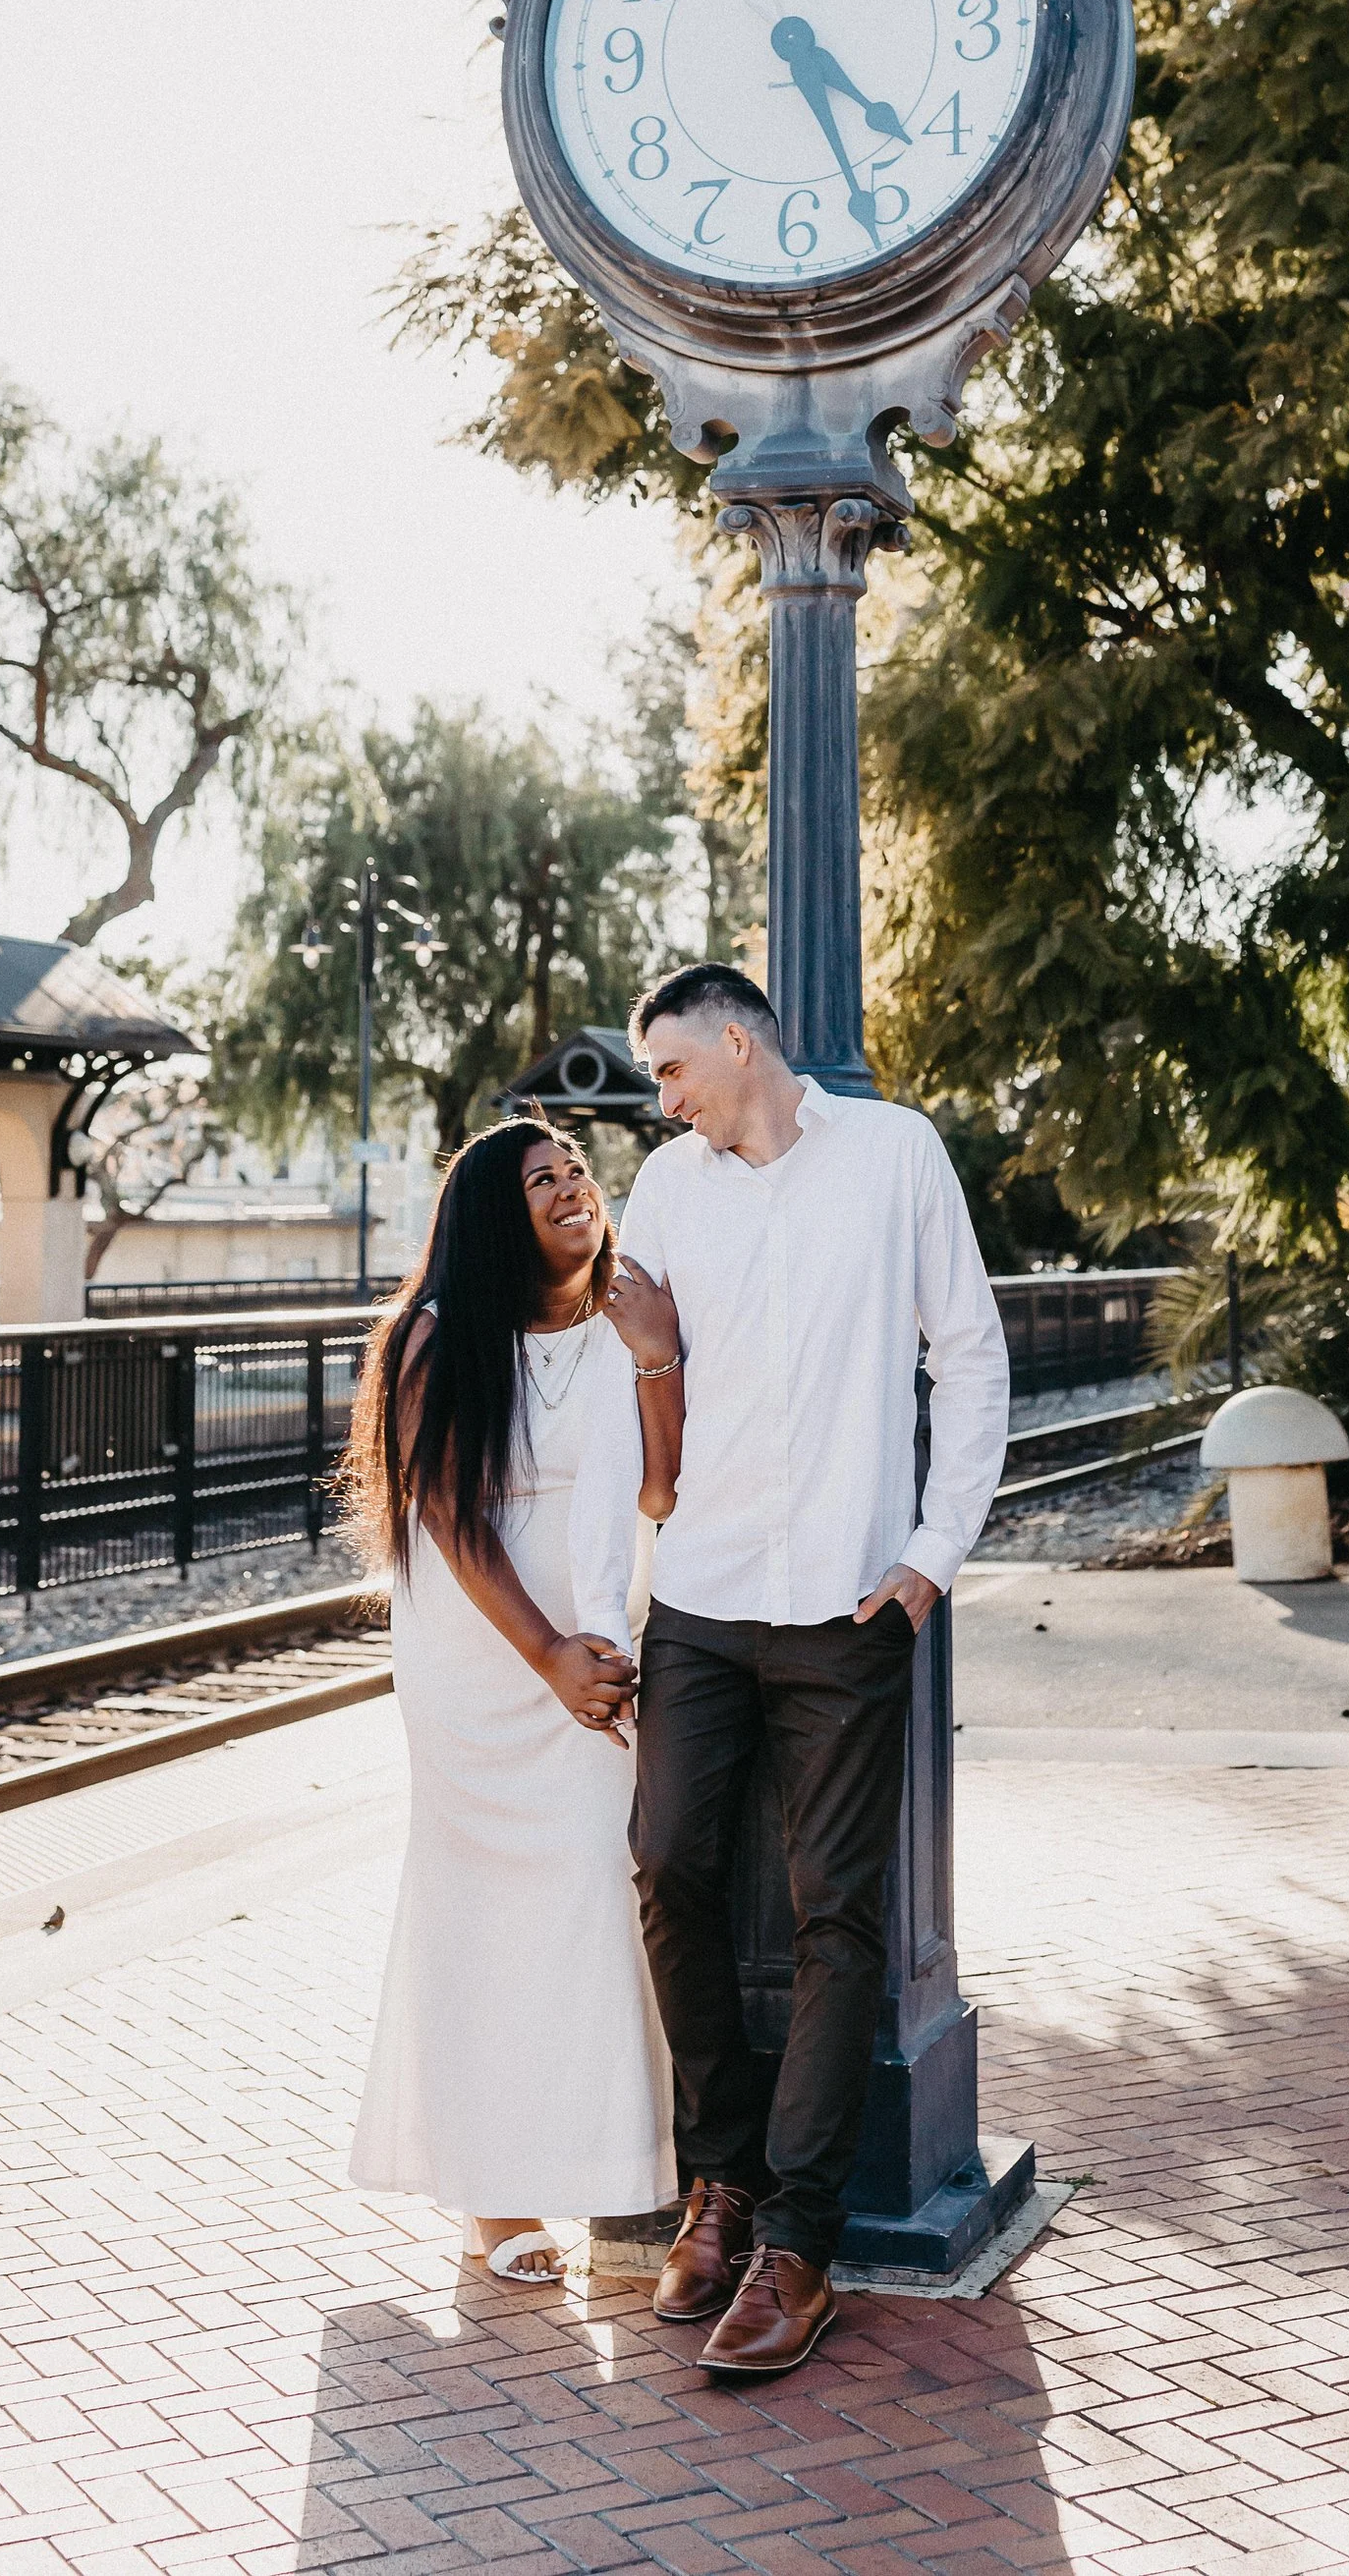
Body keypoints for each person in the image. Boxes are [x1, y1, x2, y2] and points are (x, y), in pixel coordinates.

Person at [603, 963, 1009, 2380]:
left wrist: (932, 1553)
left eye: (668, 1068)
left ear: (738, 1040)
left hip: (848, 1602)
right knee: (668, 1864)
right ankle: (716, 2182)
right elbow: (636, 1383)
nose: (661, 1097)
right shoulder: (667, 1188)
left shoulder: (895, 1154)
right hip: (703, 1595)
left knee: (838, 1914)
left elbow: (968, 1353)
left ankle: (798, 2243)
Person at [346, 1113, 687, 2282]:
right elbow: (447, 1514)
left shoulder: (616, 1321)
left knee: (598, 1888)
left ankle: (613, 2169)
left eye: (577, 1170)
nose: (570, 1187)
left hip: (597, 1635)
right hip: (485, 1657)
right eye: (542, 1178)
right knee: (485, 1917)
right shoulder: (438, 1336)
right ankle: (492, 2200)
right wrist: (546, 1655)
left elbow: (657, 1481)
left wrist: (656, 1355)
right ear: (497, 1213)